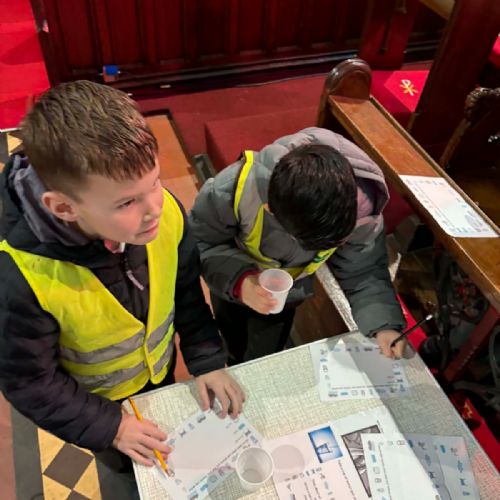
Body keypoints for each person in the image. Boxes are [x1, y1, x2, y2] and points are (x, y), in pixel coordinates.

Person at [0, 81, 244, 468]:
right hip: (97, 406)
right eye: (127, 202)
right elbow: (29, 381)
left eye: (155, 182)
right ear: (64, 208)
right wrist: (111, 427)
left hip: (157, 374)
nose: (154, 209)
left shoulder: (166, 215)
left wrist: (207, 359)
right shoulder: (19, 277)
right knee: (129, 471)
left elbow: (185, 294)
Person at [189, 127, 407, 364]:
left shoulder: (361, 213)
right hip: (229, 282)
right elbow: (201, 242)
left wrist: (383, 324)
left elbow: (364, 269)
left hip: (285, 299)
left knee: (266, 355)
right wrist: (240, 282)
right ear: (270, 209)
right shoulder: (233, 188)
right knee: (231, 338)